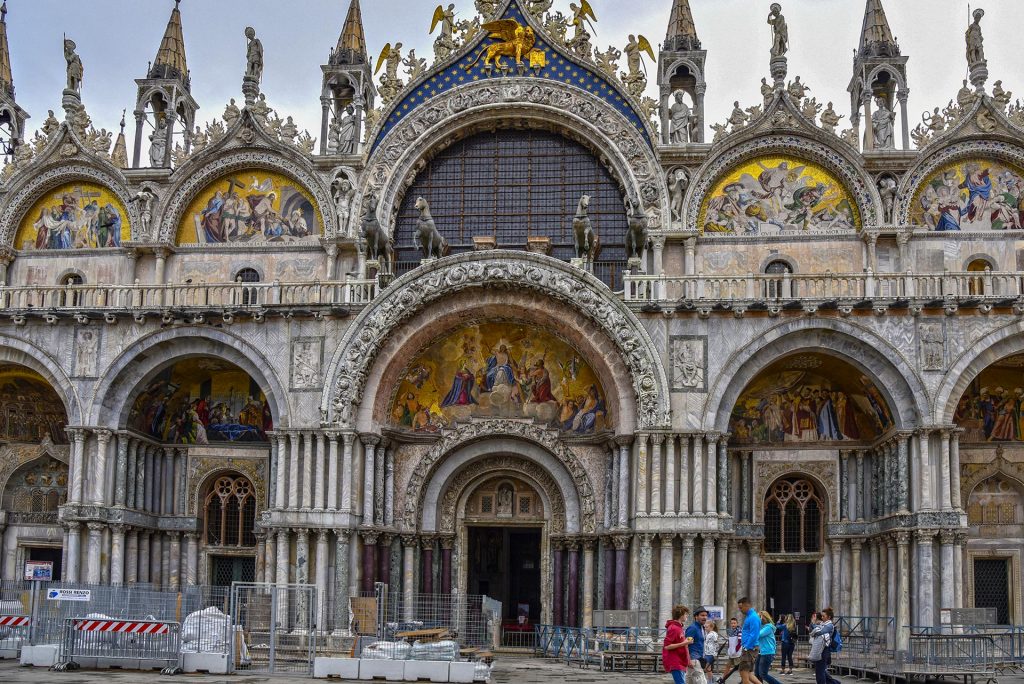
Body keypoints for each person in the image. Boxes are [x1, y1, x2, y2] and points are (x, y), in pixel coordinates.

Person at [664, 605, 694, 684]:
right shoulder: (673, 628)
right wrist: (685, 642)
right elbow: (667, 646)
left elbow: (681, 644)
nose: (687, 615)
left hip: (681, 661)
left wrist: (688, 660)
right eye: (685, 614)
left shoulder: (679, 628)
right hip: (676, 662)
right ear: (681, 614)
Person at [737, 598, 763, 684]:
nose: (740, 610)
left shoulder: (753, 617)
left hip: (749, 648)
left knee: (743, 673)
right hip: (749, 648)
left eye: (741, 607)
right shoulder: (750, 616)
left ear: (747, 605)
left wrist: (746, 647)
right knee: (748, 674)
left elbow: (754, 634)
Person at [808, 610, 839, 684]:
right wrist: (813, 624)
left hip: (824, 650)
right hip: (819, 649)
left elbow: (820, 632)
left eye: (823, 616)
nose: (822, 617)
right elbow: (812, 630)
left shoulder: (829, 625)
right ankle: (835, 683)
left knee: (820, 673)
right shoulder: (822, 624)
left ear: (829, 617)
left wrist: (813, 623)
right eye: (821, 616)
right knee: (821, 671)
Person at [756, 612, 782, 684]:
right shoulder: (762, 626)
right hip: (761, 652)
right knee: (757, 674)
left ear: (764, 617)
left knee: (763, 674)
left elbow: (759, 634)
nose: (757, 618)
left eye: (759, 617)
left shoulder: (768, 627)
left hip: (767, 652)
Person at [714, 617, 742, 684]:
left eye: (734, 623)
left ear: (737, 623)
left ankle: (743, 680)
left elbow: (740, 642)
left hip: (737, 653)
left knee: (740, 668)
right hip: (731, 652)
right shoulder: (730, 631)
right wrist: (729, 649)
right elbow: (729, 641)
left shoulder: (739, 631)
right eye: (732, 623)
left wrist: (736, 650)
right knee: (727, 666)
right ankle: (723, 680)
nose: (733, 624)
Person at [685, 607, 709, 684]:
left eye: (706, 615)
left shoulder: (702, 628)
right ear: (696, 616)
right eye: (702, 615)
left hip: (698, 659)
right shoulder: (693, 628)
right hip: (694, 660)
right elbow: (686, 644)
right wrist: (688, 660)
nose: (704, 617)